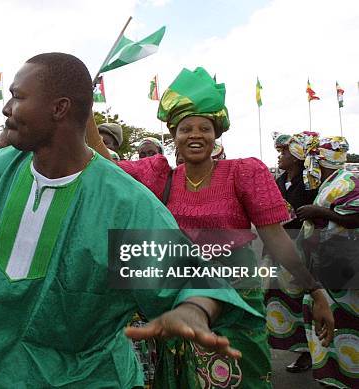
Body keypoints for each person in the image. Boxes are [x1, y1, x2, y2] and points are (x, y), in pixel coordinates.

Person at [0, 53, 263, 388]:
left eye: (17, 97)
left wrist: (191, 309)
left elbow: (191, 278)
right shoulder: (2, 169)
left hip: (87, 378)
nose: (6, 109)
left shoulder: (123, 203)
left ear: (58, 108)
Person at [93, 67, 334, 388]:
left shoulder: (245, 172)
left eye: (204, 128)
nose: (195, 134)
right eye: (185, 128)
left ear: (216, 133)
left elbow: (277, 241)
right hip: (180, 296)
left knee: (241, 379)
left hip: (236, 304)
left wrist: (316, 291)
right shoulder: (159, 175)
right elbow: (105, 166)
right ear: (174, 135)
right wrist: (84, 110)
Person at [296, 136, 359, 389]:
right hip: (327, 271)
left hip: (344, 272)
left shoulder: (350, 179)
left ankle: (345, 378)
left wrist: (319, 212)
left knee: (346, 329)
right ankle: (332, 376)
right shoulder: (334, 181)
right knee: (328, 327)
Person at [264, 132, 319, 373]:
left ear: (297, 158)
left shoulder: (309, 184)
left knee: (300, 301)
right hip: (275, 248)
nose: (280, 157)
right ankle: (283, 345)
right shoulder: (279, 180)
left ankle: (308, 352)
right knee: (274, 298)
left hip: (298, 249)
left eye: (284, 153)